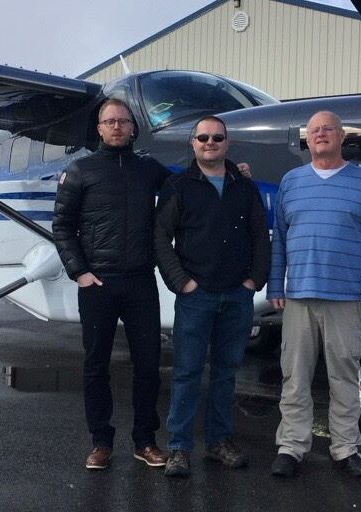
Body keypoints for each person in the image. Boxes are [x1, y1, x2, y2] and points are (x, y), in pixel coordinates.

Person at [267, 111, 361, 478]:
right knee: (294, 378)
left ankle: (345, 449)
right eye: (314, 130)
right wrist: (275, 285)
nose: (321, 134)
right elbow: (280, 242)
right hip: (299, 298)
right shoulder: (291, 183)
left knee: (345, 378)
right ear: (308, 140)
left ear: (341, 137)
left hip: (345, 300)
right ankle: (291, 447)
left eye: (328, 129)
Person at [52, 98, 169, 470]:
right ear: (99, 129)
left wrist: (233, 170)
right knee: (95, 366)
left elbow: (190, 186)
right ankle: (101, 442)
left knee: (148, 366)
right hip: (97, 284)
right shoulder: (80, 171)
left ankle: (145, 441)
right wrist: (80, 272)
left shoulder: (149, 170)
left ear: (133, 128)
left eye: (123, 121)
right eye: (110, 121)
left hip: (140, 282)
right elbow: (62, 226)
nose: (117, 126)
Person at [154, 115, 271, 477]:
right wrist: (181, 282)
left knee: (226, 372)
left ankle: (219, 441)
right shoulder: (178, 187)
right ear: (193, 144)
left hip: (237, 296)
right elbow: (160, 238)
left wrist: (254, 280)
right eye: (203, 137)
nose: (210, 143)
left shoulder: (244, 187)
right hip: (196, 296)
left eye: (217, 137)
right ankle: (179, 447)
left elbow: (260, 236)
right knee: (187, 372)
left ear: (227, 143)